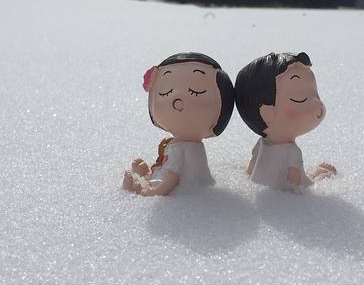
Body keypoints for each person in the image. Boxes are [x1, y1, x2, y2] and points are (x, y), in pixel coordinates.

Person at [122, 52, 234, 196]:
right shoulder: (193, 147)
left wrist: (152, 192)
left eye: (196, 92)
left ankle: (134, 184)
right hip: (197, 187)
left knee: (143, 185)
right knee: (155, 172)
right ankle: (147, 173)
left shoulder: (179, 148)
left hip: (179, 190)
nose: (177, 100)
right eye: (166, 93)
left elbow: (172, 178)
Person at [235, 52, 337, 192]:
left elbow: (252, 164)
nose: (318, 106)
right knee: (313, 180)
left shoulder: (263, 143)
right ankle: (321, 175)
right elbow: (295, 181)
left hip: (261, 188)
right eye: (300, 100)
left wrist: (250, 175)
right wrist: (301, 191)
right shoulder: (292, 151)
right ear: (267, 112)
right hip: (280, 193)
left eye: (315, 95)